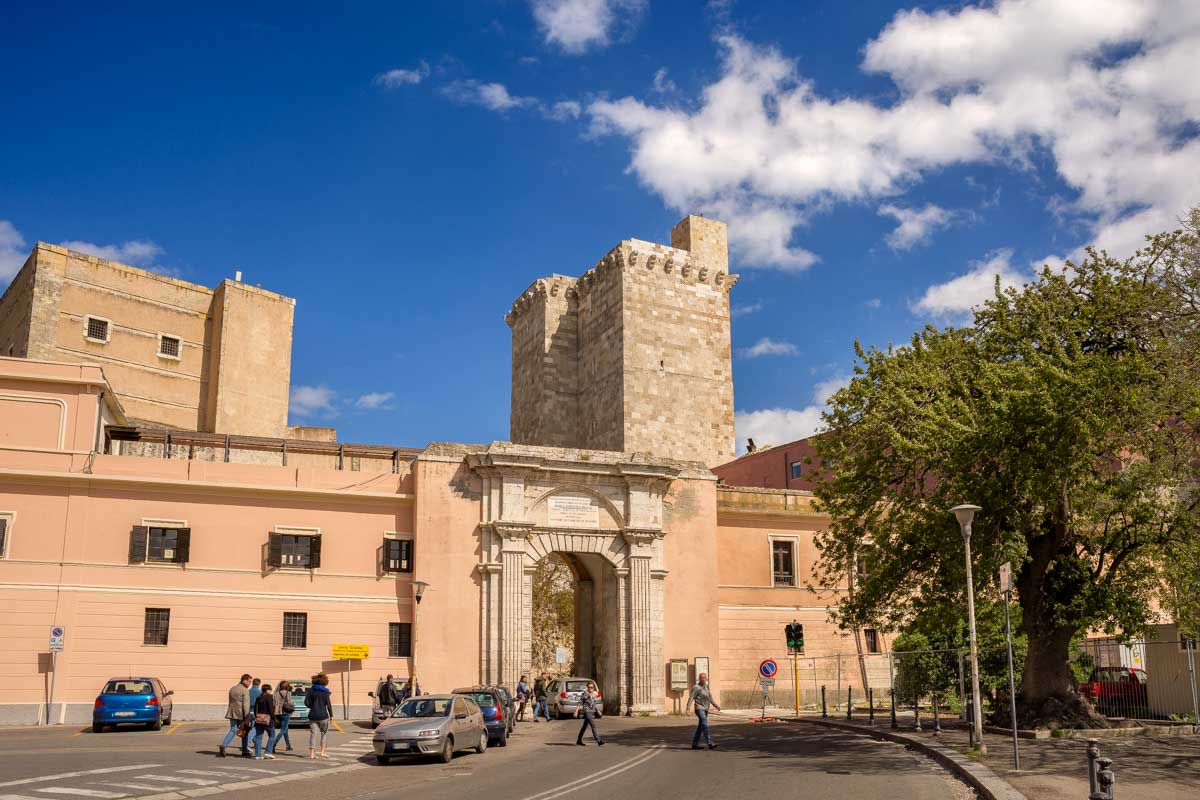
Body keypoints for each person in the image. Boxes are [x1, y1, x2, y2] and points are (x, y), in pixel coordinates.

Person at [219, 674, 252, 758]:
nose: (250, 683)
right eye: (249, 681)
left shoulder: (232, 689)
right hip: (241, 714)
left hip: (232, 712)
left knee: (233, 730)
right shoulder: (245, 690)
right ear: (244, 680)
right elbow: (245, 704)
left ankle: (224, 745)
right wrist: (247, 715)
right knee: (244, 730)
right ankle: (244, 750)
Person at [685, 672, 721, 750]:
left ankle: (694, 744)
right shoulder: (696, 687)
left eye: (705, 678)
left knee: (701, 727)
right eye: (702, 678)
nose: (703, 679)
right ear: (699, 679)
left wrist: (716, 705)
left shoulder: (706, 686)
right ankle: (710, 743)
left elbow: (710, 698)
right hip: (699, 708)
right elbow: (691, 698)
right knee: (704, 723)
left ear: (706, 678)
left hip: (705, 709)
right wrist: (687, 709)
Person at [306, 672, 333, 760]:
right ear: (325, 682)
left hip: (312, 715)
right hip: (323, 716)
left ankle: (312, 754)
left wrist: (312, 706)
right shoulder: (325, 692)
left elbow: (306, 702)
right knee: (324, 733)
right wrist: (331, 715)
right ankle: (322, 752)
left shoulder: (310, 691)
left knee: (313, 734)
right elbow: (328, 705)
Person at [575, 681, 604, 746]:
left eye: (592, 687)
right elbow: (580, 702)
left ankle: (579, 740)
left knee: (584, 727)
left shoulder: (594, 694)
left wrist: (598, 711)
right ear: (587, 687)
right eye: (589, 687)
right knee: (593, 725)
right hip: (587, 711)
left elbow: (593, 703)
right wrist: (576, 711)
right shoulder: (585, 694)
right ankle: (598, 740)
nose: (590, 689)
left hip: (592, 711)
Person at [253, 684, 277, 759]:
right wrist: (274, 718)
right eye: (270, 690)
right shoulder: (269, 697)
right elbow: (271, 709)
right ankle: (268, 752)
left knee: (258, 737)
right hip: (268, 719)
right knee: (272, 735)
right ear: (267, 690)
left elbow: (255, 709)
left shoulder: (258, 697)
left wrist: (257, 716)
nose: (271, 691)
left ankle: (257, 755)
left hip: (259, 719)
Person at [271, 680, 294, 753]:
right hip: (286, 712)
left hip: (278, 713)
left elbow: (273, 703)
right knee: (283, 729)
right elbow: (289, 703)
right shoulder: (288, 693)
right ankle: (273, 744)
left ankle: (288, 745)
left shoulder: (275, 694)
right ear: (287, 686)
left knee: (285, 729)